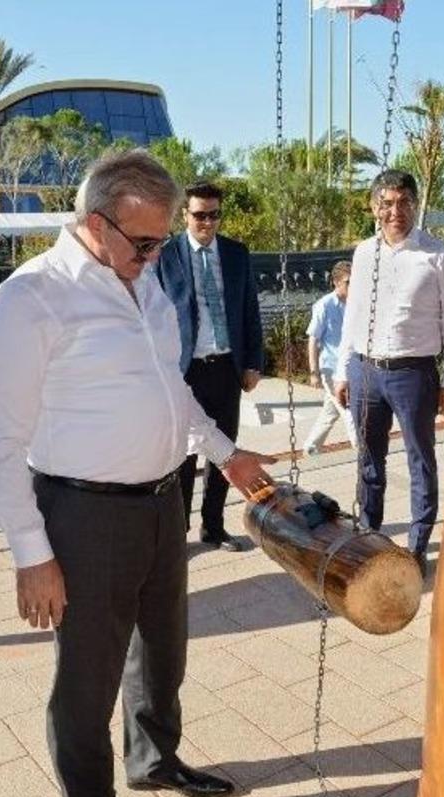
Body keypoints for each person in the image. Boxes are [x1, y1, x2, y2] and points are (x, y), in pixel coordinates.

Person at [0, 150, 275, 797]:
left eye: (163, 239)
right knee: (88, 678)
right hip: (83, 514)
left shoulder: (144, 284)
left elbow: (173, 391)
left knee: (163, 650)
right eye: (144, 241)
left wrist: (227, 455)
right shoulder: (32, 297)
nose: (156, 253)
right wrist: (32, 555)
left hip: (161, 500)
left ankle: (154, 760)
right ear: (94, 221)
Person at [335, 169, 444, 574]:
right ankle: (370, 537)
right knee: (369, 459)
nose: (396, 211)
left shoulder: (438, 255)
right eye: (387, 203)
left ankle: (417, 545)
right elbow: (352, 316)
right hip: (365, 372)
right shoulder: (363, 253)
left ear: (415, 204)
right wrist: (343, 370)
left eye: (404, 202)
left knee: (420, 460)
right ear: (375, 207)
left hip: (413, 374)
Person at [155, 182, 264, 552]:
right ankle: (178, 532)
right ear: (185, 214)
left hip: (226, 368)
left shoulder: (236, 254)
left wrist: (252, 362)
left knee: (225, 451)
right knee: (184, 456)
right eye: (199, 215)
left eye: (214, 215)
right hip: (183, 370)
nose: (207, 222)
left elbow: (250, 309)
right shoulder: (165, 255)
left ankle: (213, 527)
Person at [303, 260, 357, 454]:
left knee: (330, 412)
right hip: (330, 370)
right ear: (336, 282)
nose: (353, 286)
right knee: (349, 411)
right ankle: (362, 451)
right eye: (348, 282)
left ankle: (310, 447)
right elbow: (313, 340)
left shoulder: (357, 304)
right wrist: (313, 372)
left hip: (351, 369)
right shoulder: (324, 306)